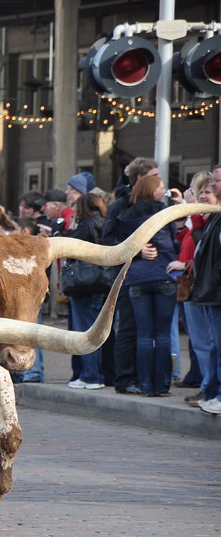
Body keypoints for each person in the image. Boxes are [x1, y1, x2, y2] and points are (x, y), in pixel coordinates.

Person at [114, 174, 177, 397]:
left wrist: (139, 252)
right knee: (162, 334)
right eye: (160, 186)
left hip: (136, 279)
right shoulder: (165, 213)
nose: (163, 190)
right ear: (151, 190)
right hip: (163, 275)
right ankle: (162, 385)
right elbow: (171, 243)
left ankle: (146, 384)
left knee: (142, 334)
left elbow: (121, 246)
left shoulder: (125, 215)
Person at [101, 156, 159, 394]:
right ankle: (125, 379)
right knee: (128, 327)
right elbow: (107, 240)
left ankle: (143, 376)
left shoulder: (156, 204)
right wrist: (134, 252)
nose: (159, 181)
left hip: (151, 275)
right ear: (140, 178)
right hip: (126, 276)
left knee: (147, 329)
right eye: (154, 176)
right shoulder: (121, 205)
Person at [179, 165, 221, 414]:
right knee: (210, 344)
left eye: (215, 183)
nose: (211, 188)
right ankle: (211, 390)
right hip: (206, 290)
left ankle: (213, 391)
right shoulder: (212, 217)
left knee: (213, 343)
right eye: (203, 189)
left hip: (213, 290)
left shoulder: (213, 217)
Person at [64, 194, 110, 390]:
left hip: (84, 284)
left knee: (85, 332)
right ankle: (100, 374)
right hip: (102, 282)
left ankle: (91, 376)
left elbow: (69, 246)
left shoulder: (86, 225)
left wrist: (59, 231)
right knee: (99, 332)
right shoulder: (105, 223)